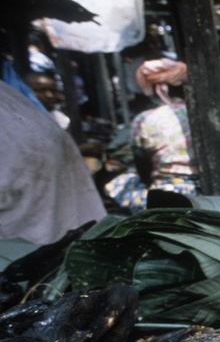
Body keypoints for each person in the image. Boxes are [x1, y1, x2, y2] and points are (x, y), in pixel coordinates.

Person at [0, 80, 106, 244]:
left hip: (56, 233)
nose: (49, 95)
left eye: (53, 90)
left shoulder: (24, 109)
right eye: (41, 90)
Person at [105, 58, 198, 212]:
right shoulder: (200, 113)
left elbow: (142, 165)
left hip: (164, 193)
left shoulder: (145, 119)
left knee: (119, 185)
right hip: (201, 189)